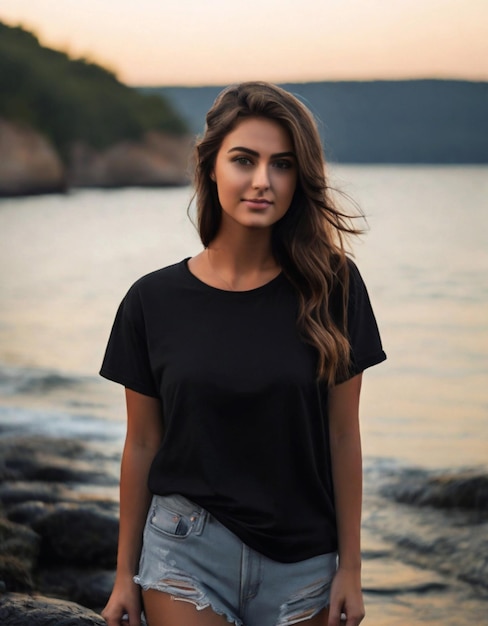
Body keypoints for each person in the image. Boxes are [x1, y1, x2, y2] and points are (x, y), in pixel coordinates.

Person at [99, 81, 386, 626]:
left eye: (281, 164)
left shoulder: (334, 288)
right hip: (183, 551)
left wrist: (351, 567)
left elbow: (344, 435)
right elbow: (141, 443)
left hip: (305, 560)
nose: (262, 181)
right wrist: (122, 576)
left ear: (300, 178)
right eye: (243, 160)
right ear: (211, 168)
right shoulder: (150, 301)